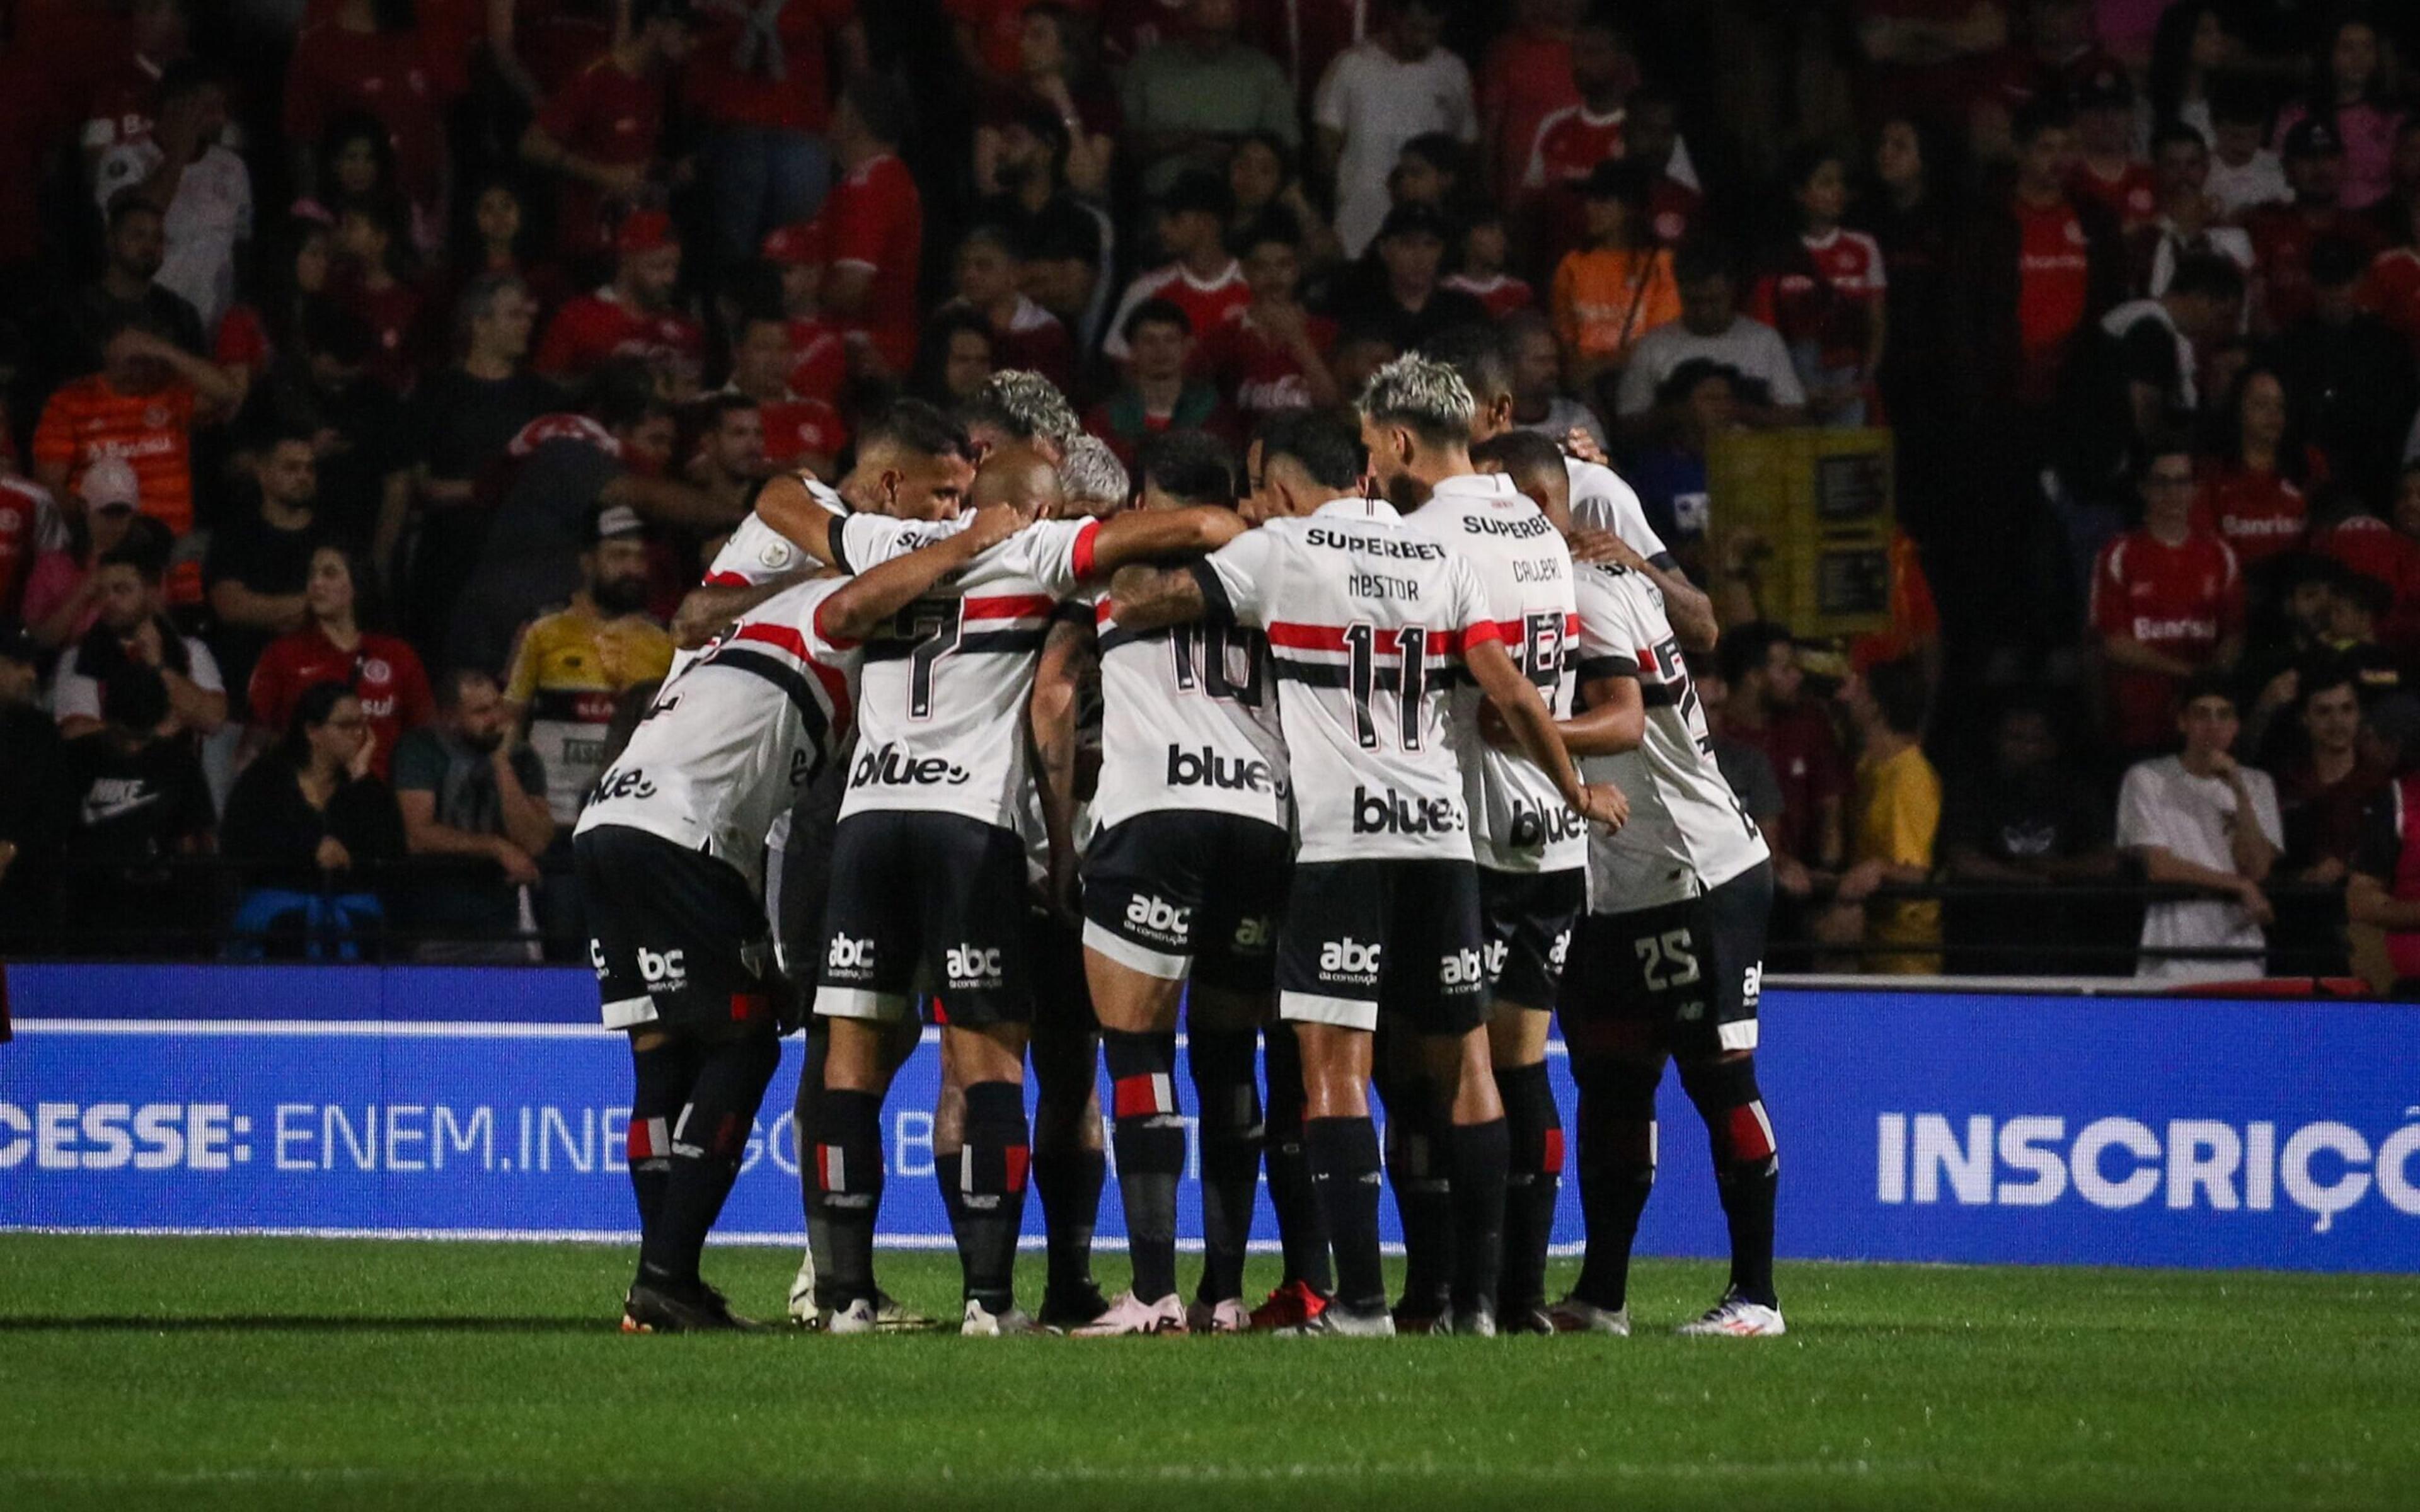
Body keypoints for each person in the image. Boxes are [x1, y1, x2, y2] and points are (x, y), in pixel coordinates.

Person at [1105, 379, 1623, 1337]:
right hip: (1442, 840)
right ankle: (1475, 1303)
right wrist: (1573, 791)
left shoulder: (1281, 548)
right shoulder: (1437, 549)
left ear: (1286, 484)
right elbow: (1507, 687)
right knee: (1467, 1066)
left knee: (1334, 1069)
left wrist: (1112, 577)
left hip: (1343, 844)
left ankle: (1362, 1303)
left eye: (1264, 486)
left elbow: (1153, 602)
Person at [756, 440, 1253, 1335]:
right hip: (970, 827)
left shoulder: (888, 543)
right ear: (1033, 508)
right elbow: (1201, 524)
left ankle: (845, 1297)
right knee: (992, 1063)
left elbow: (833, 617)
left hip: (867, 822)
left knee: (850, 1066)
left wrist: (949, 545)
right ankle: (989, 1302)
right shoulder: (1036, 552)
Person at [578, 493, 1033, 1333]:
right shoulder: (834, 607)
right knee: (747, 1046)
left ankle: (659, 1282)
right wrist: (968, 539)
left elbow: (697, 616)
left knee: (663, 1060)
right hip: (684, 829)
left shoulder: (741, 628)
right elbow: (841, 587)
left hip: (613, 820)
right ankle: (670, 1274)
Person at [1373, 355, 1584, 1337]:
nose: (1367, 464)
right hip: (1553, 843)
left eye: (1372, 443)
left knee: (1433, 1076)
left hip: (1470, 836)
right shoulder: (1533, 522)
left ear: (1403, 441)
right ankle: (1521, 1297)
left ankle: (1444, 1292)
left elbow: (1494, 687)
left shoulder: (1425, 538)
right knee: (1523, 1068)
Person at [1547, 483, 1781, 1336]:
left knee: (1718, 1076)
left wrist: (1517, 724)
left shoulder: (1589, 585)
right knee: (1612, 1085)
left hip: (1696, 868)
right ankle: (1601, 1296)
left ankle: (1757, 1296)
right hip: (1611, 881)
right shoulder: (1553, 582)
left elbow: (1625, 716)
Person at [500, 505, 677, 828]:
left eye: (639, 558)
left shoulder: (666, 638)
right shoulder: (541, 629)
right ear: (587, 562)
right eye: (619, 556)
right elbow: (508, 721)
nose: (633, 569)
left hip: (630, 817)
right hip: (552, 816)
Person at [2116, 673, 2282, 983]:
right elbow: (2159, 866)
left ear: (2236, 726)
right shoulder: (2147, 778)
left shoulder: (2258, 784)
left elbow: (2258, 869)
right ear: (2182, 723)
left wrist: (2238, 790)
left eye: (2224, 715)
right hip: (2171, 948)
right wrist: (2239, 886)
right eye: (2201, 714)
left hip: (2241, 949)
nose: (2213, 725)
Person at [220, 681, 404, 957]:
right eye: (346, 725)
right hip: (279, 899)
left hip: (349, 904)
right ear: (313, 731)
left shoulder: (367, 788)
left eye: (362, 725)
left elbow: (391, 848)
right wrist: (309, 850)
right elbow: (240, 840)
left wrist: (361, 778)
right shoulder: (265, 779)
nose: (359, 735)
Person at [1940, 693, 2119, 973]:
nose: (2022, 748)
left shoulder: (2076, 791)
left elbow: (2107, 861)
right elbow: (1962, 859)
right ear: (1997, 740)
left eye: (2032, 740)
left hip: (2061, 943)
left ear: (2051, 746)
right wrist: (2024, 879)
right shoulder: (1974, 790)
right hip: (1986, 942)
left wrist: (2056, 868)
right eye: (2013, 738)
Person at [2087, 445, 2246, 758]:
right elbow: (2113, 643)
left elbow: (2234, 635)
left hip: (2204, 731)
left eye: (2182, 482)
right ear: (2144, 488)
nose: (2173, 493)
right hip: (2139, 726)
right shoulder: (2118, 553)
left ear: (2195, 489)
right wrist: (2191, 674)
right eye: (2162, 482)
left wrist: (2209, 683)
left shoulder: (2220, 554)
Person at [392, 667, 555, 961]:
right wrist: (497, 847)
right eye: (481, 711)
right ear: (451, 717)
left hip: (506, 925)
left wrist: (501, 763)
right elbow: (418, 834)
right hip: (433, 926)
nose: (496, 719)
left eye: (497, 706)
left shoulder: (522, 757)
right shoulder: (420, 749)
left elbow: (535, 842)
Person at [54, 665, 216, 955]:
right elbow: (53, 831)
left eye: (141, 738)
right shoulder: (76, 757)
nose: (132, 749)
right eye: (124, 736)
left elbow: (199, 838)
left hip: (161, 909)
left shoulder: (179, 763)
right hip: (90, 907)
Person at [519, 0, 694, 261]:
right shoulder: (597, 78)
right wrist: (600, 174)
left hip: (635, 235)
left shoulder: (656, 82)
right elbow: (532, 144)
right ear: (653, 27)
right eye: (683, 32)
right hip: (591, 236)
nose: (691, 42)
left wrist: (668, 171)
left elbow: (630, 153)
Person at [91, 59, 251, 338]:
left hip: (214, 328)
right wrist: (178, 154)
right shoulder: (126, 157)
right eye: (210, 108)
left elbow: (241, 244)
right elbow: (139, 213)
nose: (221, 119)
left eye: (223, 109)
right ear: (175, 105)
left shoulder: (232, 167)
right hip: (150, 322)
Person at [246, 545, 434, 780]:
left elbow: (424, 739)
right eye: (312, 574)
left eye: (330, 573)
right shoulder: (282, 654)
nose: (316, 583)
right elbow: (257, 737)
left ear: (358, 582)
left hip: (378, 798)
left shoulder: (397, 655)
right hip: (305, 799)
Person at [1312, 0, 1475, 260]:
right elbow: (1326, 147)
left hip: (1425, 230)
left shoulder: (1453, 71)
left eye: (1432, 31)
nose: (1423, 39)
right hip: (1360, 222)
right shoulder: (1352, 65)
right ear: (1394, 18)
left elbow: (1463, 147)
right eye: (1415, 28)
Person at [1751, 146, 1889, 427]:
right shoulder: (1778, 253)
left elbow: (1877, 322)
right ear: (1800, 193)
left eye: (1840, 182)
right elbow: (1766, 325)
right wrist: (1795, 389)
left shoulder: (1863, 246)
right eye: (1826, 182)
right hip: (1793, 386)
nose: (1837, 190)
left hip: (1849, 382)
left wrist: (1861, 382)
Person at [1615, 243, 1807, 441]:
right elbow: (1628, 425)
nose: (1704, 312)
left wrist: (1739, 411)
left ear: (1732, 290)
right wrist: (1680, 414)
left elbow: (1796, 415)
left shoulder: (1764, 340)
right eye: (1694, 302)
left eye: (1714, 301)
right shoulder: (1653, 345)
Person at [51, 537, 226, 741]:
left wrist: (160, 666)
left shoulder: (191, 651)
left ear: (152, 593)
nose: (109, 600)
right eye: (102, 592)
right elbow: (77, 730)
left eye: (122, 590)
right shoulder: (80, 655)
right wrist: (154, 734)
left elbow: (213, 719)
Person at [1119, 0, 1298, 197]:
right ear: (1184, 20)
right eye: (1205, 32)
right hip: (1162, 211)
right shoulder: (1147, 67)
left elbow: (1285, 152)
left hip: (1238, 213)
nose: (1214, 42)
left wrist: (1238, 156)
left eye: (1222, 33)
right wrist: (1175, 143)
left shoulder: (1264, 73)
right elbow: (1123, 149)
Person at [205, 428, 331, 709]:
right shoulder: (235, 533)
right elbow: (230, 606)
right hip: (245, 678)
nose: (303, 476)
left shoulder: (334, 535)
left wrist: (266, 610)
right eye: (291, 468)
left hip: (320, 685)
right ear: (262, 474)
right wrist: (311, 607)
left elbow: (352, 604)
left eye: (310, 469)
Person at [1720, 622, 1847, 888]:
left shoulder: (1808, 724)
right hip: (1735, 881)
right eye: (1786, 669)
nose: (1798, 677)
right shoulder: (1719, 737)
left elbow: (1831, 808)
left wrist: (1828, 873)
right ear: (1754, 677)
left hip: (1806, 879)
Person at [532, 211, 705, 398]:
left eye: (674, 267)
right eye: (659, 266)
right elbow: (545, 389)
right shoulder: (578, 318)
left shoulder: (685, 329)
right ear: (626, 261)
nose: (670, 278)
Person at [821, 74, 926, 379]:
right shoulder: (892, 176)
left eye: (837, 110)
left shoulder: (868, 185)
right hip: (886, 346)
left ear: (852, 120)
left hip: (866, 350)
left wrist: (798, 299)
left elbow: (852, 287)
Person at [1552, 160, 1681, 396]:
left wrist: (1598, 367)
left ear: (1630, 208)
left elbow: (1661, 339)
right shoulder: (1572, 264)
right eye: (1589, 199)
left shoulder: (1662, 264)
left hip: (1644, 387)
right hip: (1584, 391)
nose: (1591, 208)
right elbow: (1565, 336)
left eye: (1602, 200)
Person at [1199, 211, 1340, 425]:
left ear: (1297, 269)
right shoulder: (1223, 337)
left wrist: (1299, 342)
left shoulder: (1327, 332)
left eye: (1283, 265)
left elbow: (1331, 403)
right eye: (1262, 266)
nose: (1274, 276)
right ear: (1246, 270)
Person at [1101, 171, 1250, 366]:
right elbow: (1121, 360)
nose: (1162, 228)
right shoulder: (1146, 290)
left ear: (1208, 223)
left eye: (1175, 218)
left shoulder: (1255, 286)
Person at [1322, 203, 1490, 355]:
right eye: (1408, 244)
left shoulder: (1464, 311)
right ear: (1384, 250)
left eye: (1430, 245)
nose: (1420, 257)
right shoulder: (1360, 311)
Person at [1081, 301, 1236, 464]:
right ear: (1132, 350)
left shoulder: (1214, 415)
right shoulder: (1103, 422)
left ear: (1186, 347)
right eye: (1149, 340)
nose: (1161, 350)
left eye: (1170, 340)